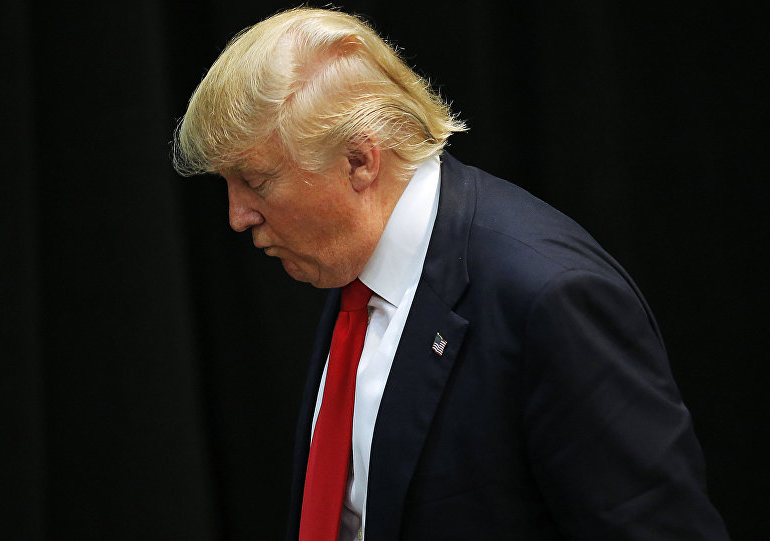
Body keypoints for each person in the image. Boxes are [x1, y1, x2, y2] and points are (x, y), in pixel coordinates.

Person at [173, 7, 729, 541]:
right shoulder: (354, 267)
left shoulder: (551, 300)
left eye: (258, 181)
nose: (237, 216)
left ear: (360, 162)